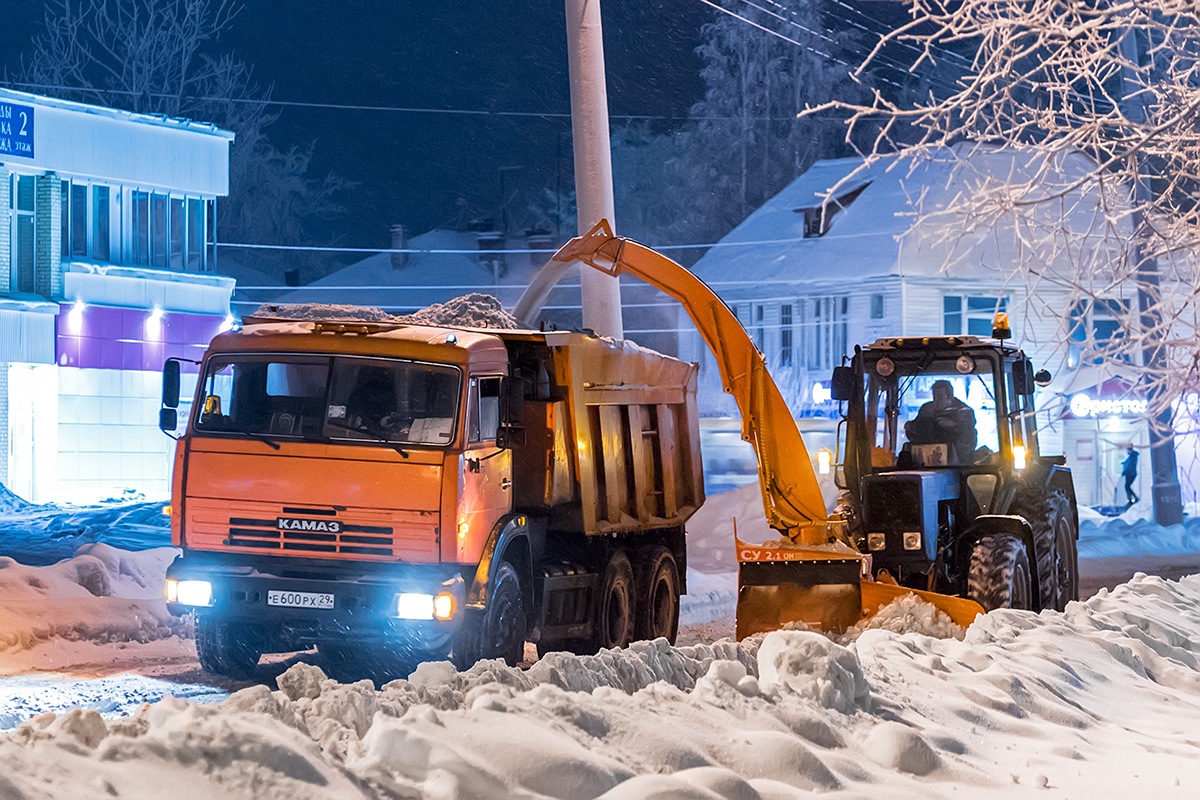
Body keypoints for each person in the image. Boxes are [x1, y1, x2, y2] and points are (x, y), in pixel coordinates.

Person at [904, 379, 978, 463]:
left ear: (950, 396)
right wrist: (911, 426)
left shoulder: (963, 411)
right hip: (928, 456)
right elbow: (917, 430)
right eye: (935, 397)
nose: (937, 401)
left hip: (956, 459)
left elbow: (968, 437)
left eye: (940, 397)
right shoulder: (927, 409)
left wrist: (954, 426)